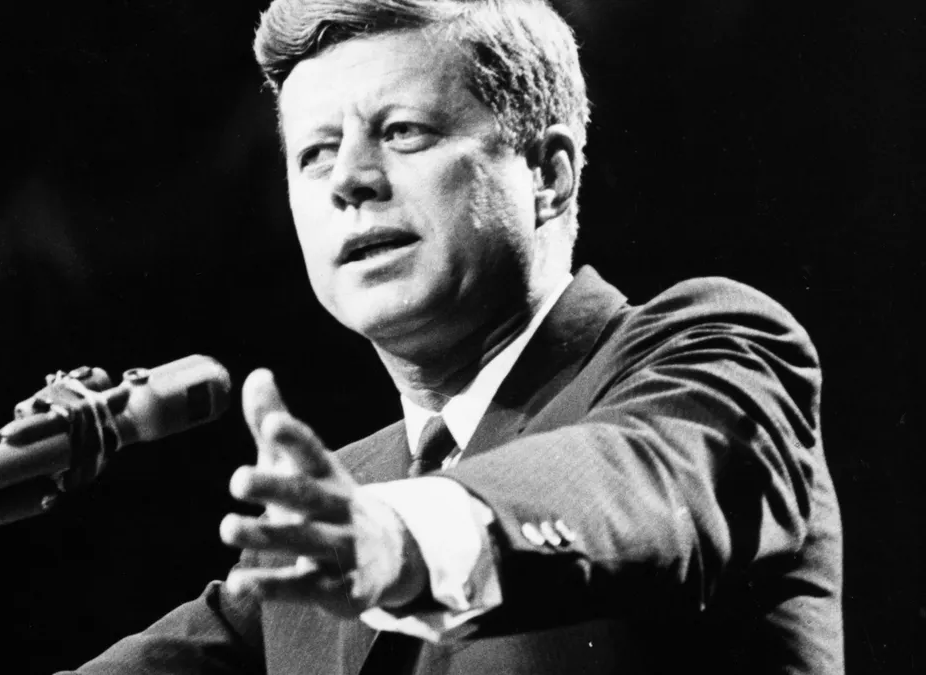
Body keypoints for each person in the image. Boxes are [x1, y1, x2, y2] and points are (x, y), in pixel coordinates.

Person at [63, 0, 843, 673]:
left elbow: (635, 479)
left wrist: (403, 537)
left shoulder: (711, 352)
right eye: (315, 153)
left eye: (401, 132)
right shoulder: (322, 516)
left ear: (548, 174)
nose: (347, 181)